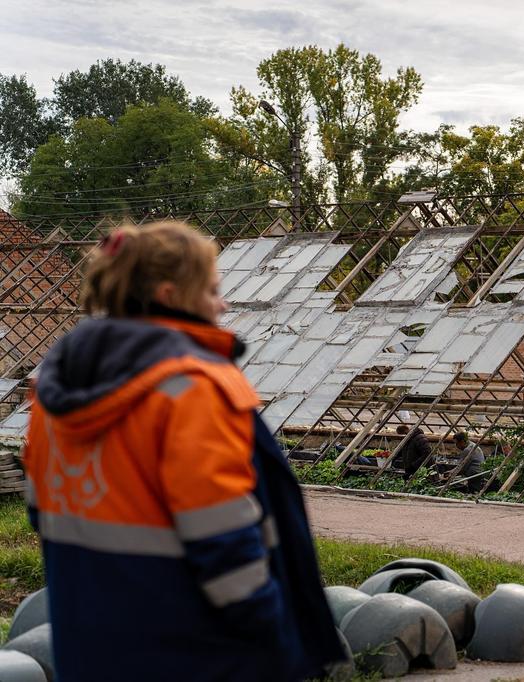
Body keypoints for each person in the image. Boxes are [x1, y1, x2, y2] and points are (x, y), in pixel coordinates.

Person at [21, 222, 347, 681]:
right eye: (213, 290)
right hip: (196, 647)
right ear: (172, 295)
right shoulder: (192, 390)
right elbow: (222, 534)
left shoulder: (53, 395)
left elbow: (42, 512)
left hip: (90, 640)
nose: (224, 303)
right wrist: (272, 630)